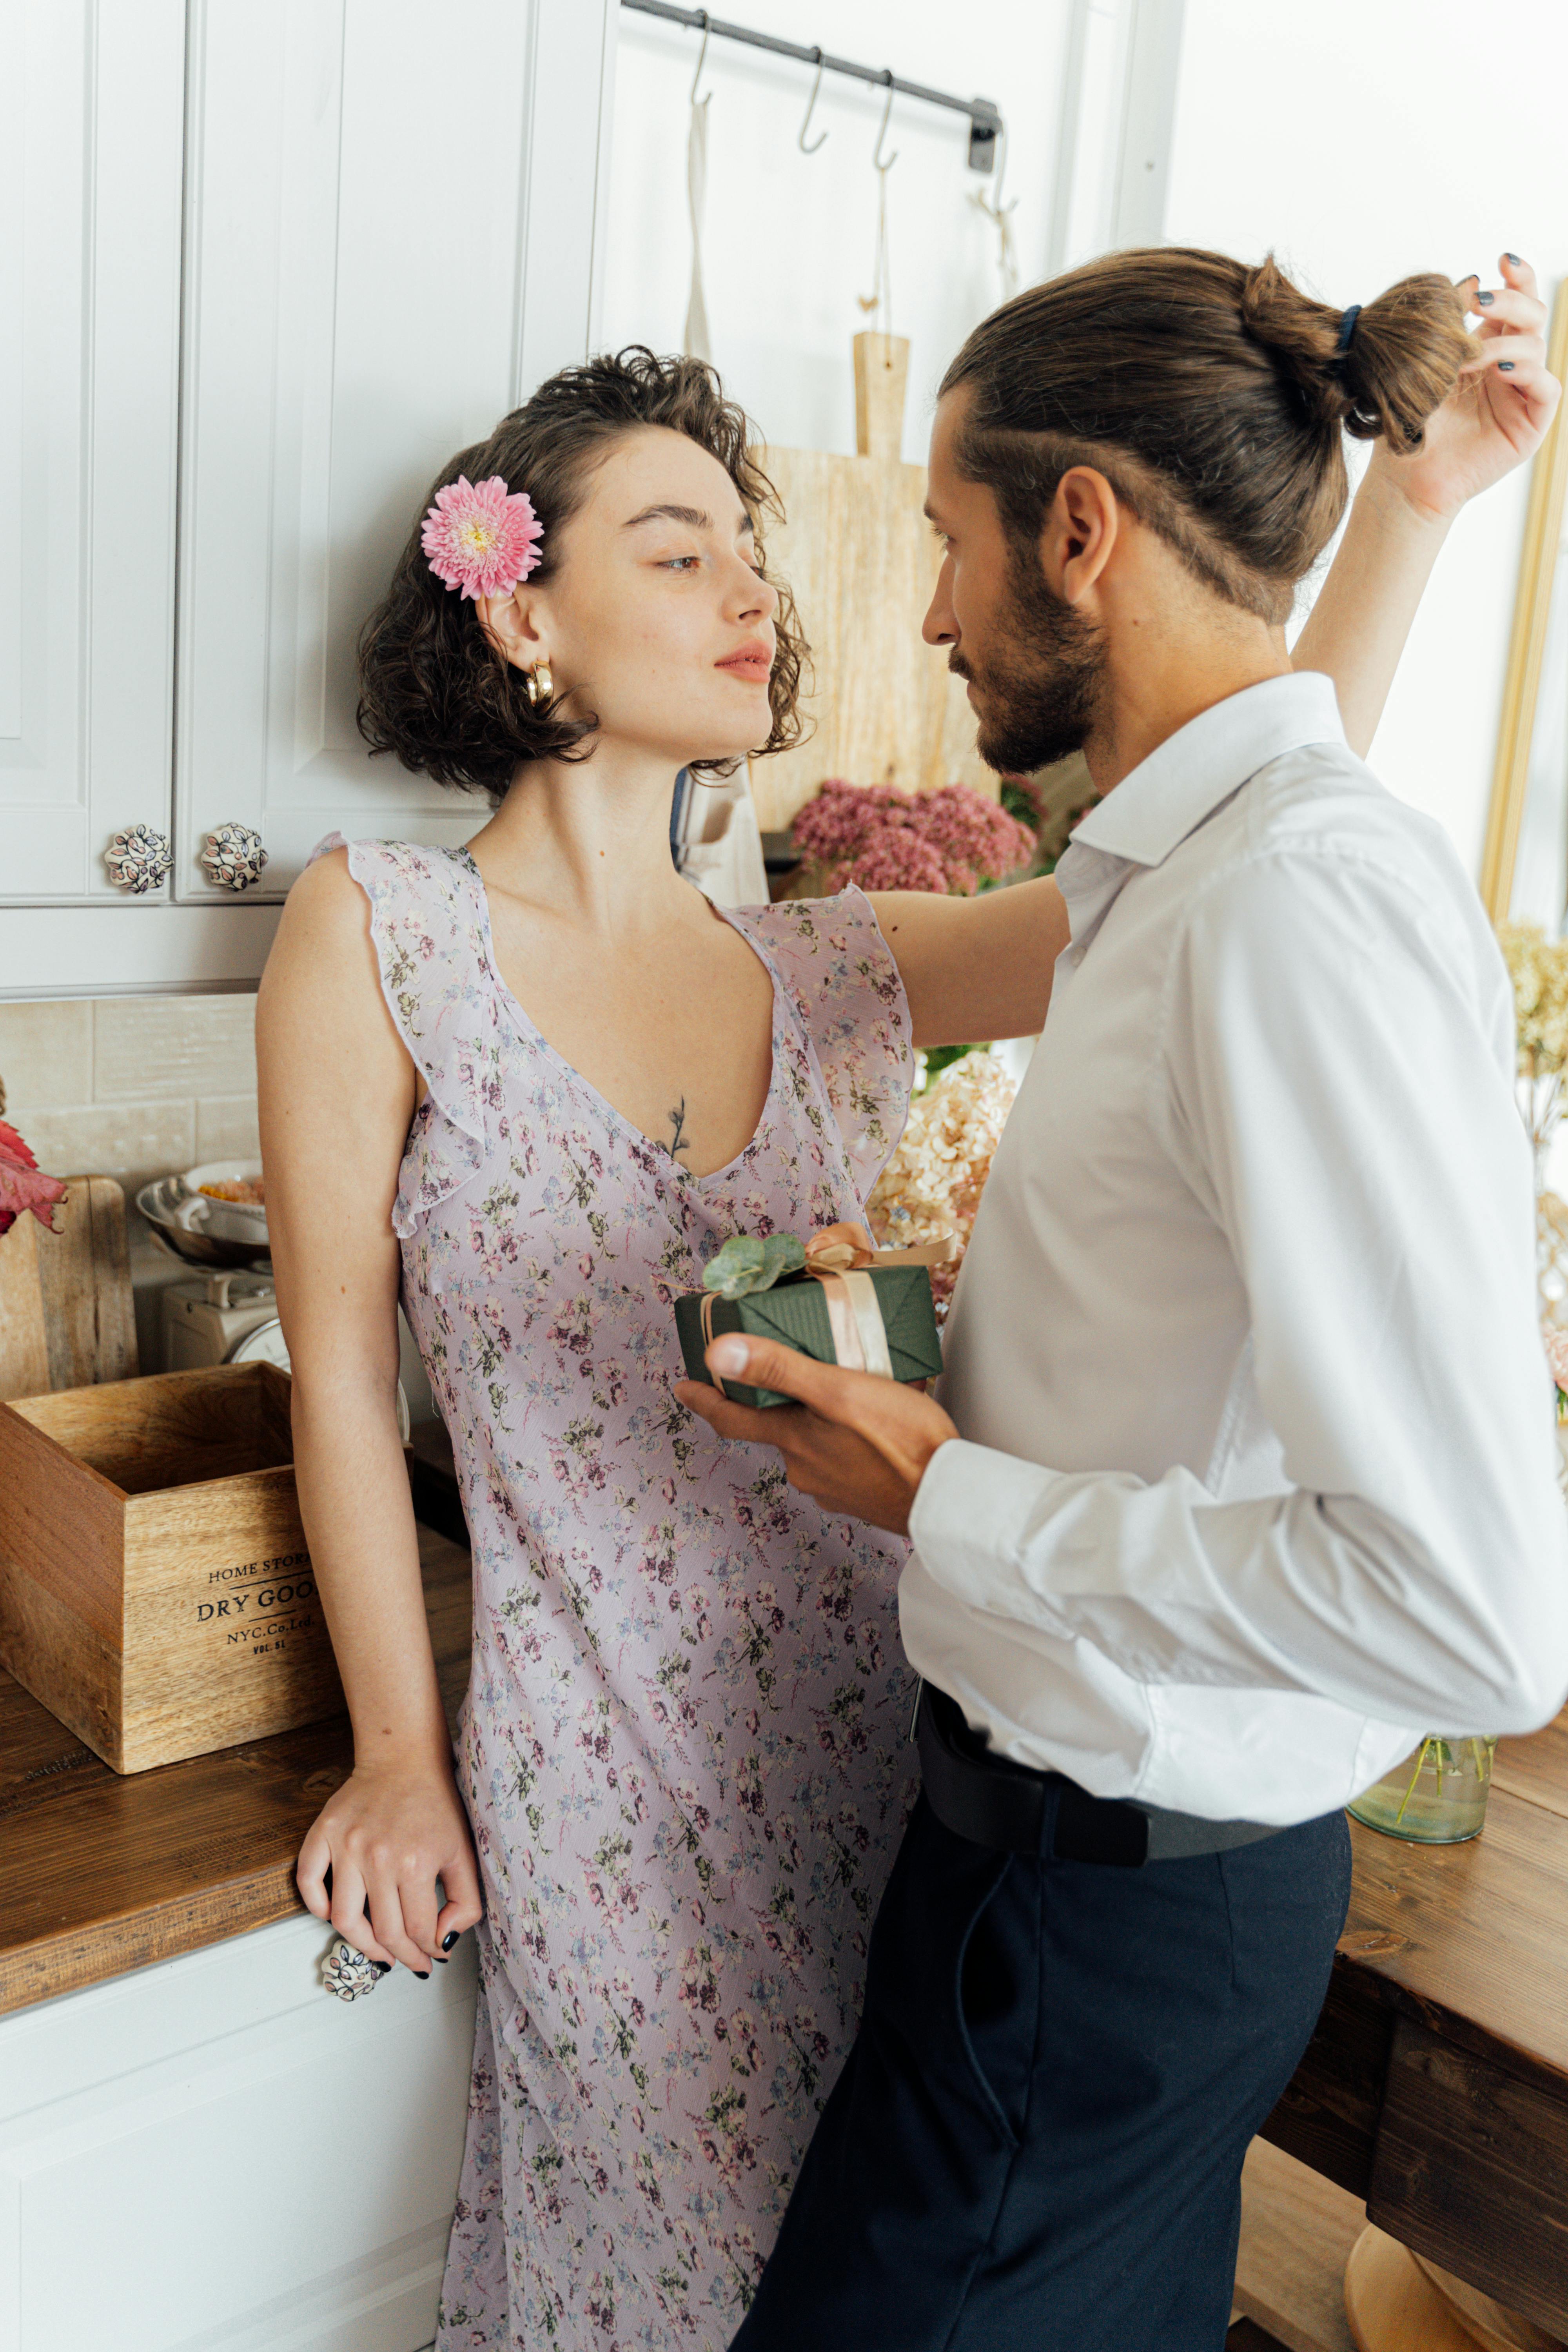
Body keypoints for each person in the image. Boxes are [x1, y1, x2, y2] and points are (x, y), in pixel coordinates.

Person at [256, 262, 1544, 2352]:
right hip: (600, 1783)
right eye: (679, 550)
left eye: (755, 550)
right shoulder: (372, 929)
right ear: (518, 608)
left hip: (912, 1757)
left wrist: (1399, 526)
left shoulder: (833, 957)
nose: (764, 591)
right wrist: (400, 1754)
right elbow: (332, 1384)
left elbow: (1202, 850)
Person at [679, 252, 1568, 2352]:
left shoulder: (1290, 911)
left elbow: (1474, 1613)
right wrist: (930, 1363)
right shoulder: (1190, 872)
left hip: (1110, 1927)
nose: (922, 615)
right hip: (1045, 1884)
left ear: (1080, 530)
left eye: (941, 544)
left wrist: (947, 1492)